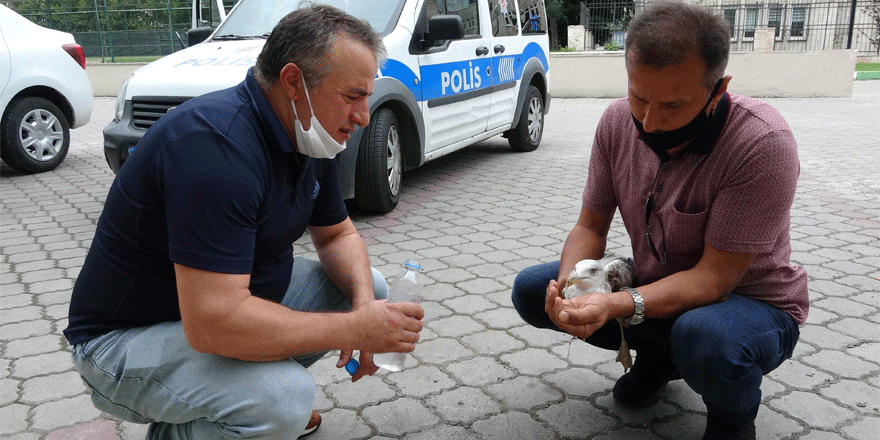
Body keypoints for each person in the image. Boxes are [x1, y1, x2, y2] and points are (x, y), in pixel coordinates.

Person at [63, 5, 424, 439]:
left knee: (369, 287)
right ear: (293, 82)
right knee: (285, 399)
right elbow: (215, 321)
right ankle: (227, 413)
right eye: (352, 96)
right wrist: (354, 327)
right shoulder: (214, 148)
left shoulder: (312, 135)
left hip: (210, 310)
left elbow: (337, 235)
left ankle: (232, 402)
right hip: (122, 341)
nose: (363, 115)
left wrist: (364, 307)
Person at [511, 2, 807, 439]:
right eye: (639, 97)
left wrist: (615, 303)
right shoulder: (616, 122)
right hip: (658, 282)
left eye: (672, 105)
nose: (649, 121)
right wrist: (572, 289)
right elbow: (591, 226)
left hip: (749, 303)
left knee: (705, 338)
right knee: (535, 290)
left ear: (718, 90)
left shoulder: (761, 143)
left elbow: (712, 280)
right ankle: (660, 358)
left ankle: (732, 419)